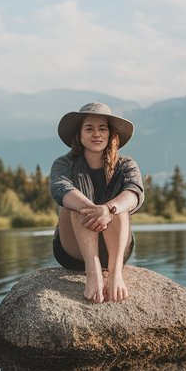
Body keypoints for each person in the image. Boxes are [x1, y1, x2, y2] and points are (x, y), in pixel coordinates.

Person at [49, 103, 145, 303]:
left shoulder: (126, 165)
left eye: (102, 128)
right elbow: (60, 190)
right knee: (76, 204)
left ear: (110, 134)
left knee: (120, 208)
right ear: (80, 134)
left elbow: (135, 193)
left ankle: (115, 273)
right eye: (89, 128)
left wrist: (108, 209)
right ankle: (93, 273)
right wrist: (94, 210)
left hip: (115, 250)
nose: (96, 134)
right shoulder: (63, 163)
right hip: (73, 251)